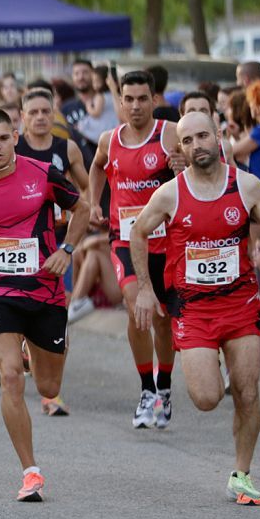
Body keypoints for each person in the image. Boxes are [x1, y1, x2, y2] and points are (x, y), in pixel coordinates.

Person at [0, 108, 90, 501]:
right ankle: (30, 472)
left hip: (45, 291)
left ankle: (37, 346)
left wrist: (68, 250)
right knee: (10, 375)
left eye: (2, 139)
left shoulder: (42, 173)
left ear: (14, 136)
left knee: (48, 384)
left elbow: (83, 209)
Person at [131, 111, 260, 505]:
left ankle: (242, 474)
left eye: (203, 136)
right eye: (187, 141)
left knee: (248, 392)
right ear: (181, 149)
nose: (197, 146)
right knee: (206, 398)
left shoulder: (248, 187)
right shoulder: (170, 194)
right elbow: (138, 232)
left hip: (240, 305)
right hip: (194, 310)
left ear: (219, 135)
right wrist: (144, 288)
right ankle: (210, 360)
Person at [89, 70, 181, 429]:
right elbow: (97, 168)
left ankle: (166, 386)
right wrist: (94, 201)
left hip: (166, 242)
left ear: (155, 100)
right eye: (129, 99)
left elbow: (199, 169)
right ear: (121, 101)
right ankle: (146, 390)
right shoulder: (108, 141)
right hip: (125, 240)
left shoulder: (169, 135)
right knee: (136, 310)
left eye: (143, 98)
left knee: (162, 319)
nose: (136, 106)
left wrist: (182, 166)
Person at [15, 88, 90, 415]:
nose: (41, 117)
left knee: (59, 315)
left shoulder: (66, 148)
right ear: (23, 117)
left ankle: (52, 392)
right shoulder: (13, 149)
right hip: (20, 244)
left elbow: (86, 188)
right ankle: (22, 347)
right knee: (20, 311)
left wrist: (80, 211)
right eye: (34, 112)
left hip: (57, 245)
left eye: (46, 111)